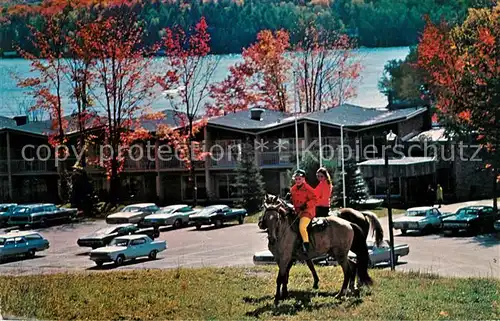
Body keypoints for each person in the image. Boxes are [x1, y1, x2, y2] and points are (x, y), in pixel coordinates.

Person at [290, 169, 318, 254]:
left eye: (299, 179)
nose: (298, 181)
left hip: (307, 211)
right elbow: (294, 201)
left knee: (302, 227)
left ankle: (306, 246)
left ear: (303, 179)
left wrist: (306, 205)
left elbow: (315, 200)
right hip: (297, 211)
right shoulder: (293, 189)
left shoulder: (308, 189)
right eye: (296, 179)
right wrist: (290, 199)